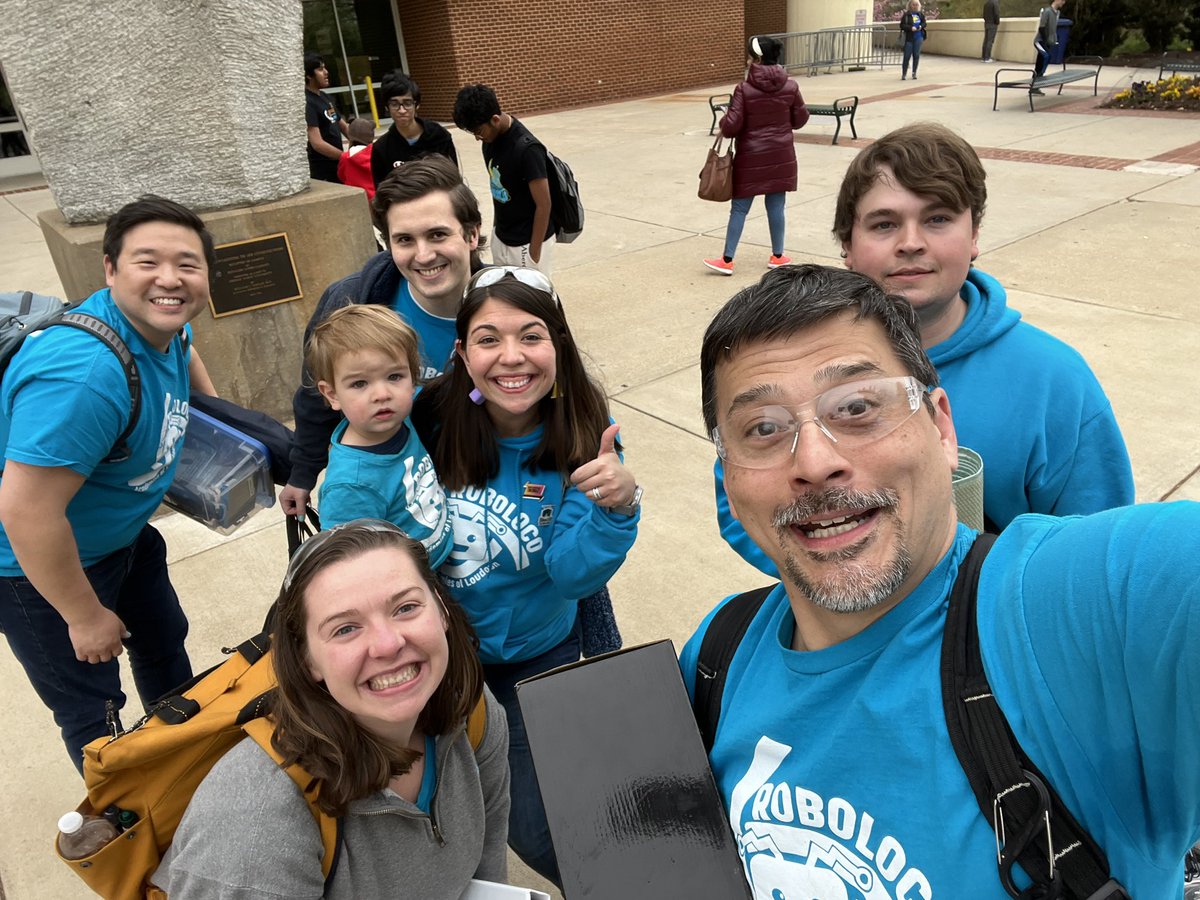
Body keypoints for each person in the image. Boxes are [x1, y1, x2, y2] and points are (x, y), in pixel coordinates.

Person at [681, 263, 1200, 898]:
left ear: (942, 428)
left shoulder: (1067, 614)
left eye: (857, 407)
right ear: (729, 485)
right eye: (763, 428)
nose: (815, 462)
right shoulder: (717, 657)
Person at [712, 122, 1132, 570]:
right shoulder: (791, 361)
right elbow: (741, 501)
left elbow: (1095, 548)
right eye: (884, 224)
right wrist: (838, 573)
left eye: (937, 219)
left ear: (974, 237)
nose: (910, 243)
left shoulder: (1054, 379)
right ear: (846, 246)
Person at [412, 267, 642, 886]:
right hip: (435, 658)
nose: (511, 358)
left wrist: (616, 506)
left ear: (559, 347)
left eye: (531, 336)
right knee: (426, 802)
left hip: (537, 656)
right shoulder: (426, 419)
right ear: (461, 353)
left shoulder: (584, 437)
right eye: (488, 339)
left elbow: (571, 573)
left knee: (538, 822)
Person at [152, 520, 511, 898]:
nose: (387, 644)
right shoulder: (255, 828)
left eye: (405, 607)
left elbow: (487, 875)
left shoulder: (471, 711)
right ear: (308, 660)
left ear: (441, 611)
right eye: (345, 629)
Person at [0, 195, 217, 771]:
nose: (170, 279)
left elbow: (187, 355)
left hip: (123, 540)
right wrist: (83, 614)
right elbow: (25, 513)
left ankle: (184, 761)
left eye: (188, 265)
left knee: (165, 647)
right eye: (147, 261)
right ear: (110, 269)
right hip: (39, 572)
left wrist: (222, 429)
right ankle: (133, 822)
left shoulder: (164, 326)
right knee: (96, 711)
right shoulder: (84, 378)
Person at [279, 155, 482, 518]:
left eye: (437, 234)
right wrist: (303, 471)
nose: (423, 254)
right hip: (401, 493)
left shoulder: (512, 304)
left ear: (471, 234)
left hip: (483, 481)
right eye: (404, 239)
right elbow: (316, 392)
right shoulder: (352, 301)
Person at [306, 305, 453, 563]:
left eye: (394, 376)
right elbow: (353, 562)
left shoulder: (402, 413)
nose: (382, 394)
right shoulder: (351, 485)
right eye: (360, 383)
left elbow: (462, 397)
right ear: (332, 394)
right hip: (417, 581)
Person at [702, 35, 809, 277]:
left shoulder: (744, 89)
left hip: (750, 156)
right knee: (776, 206)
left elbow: (730, 127)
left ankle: (727, 260)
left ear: (757, 58)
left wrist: (725, 116)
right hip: (781, 155)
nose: (748, 60)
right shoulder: (791, 86)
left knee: (739, 208)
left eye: (750, 55)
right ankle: (778, 256)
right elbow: (800, 119)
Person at [453, 83, 555, 273]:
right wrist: (495, 233)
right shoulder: (489, 142)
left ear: (495, 119)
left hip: (527, 243)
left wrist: (534, 253)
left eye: (478, 131)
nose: (477, 138)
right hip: (502, 237)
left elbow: (544, 204)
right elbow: (497, 188)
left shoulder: (528, 149)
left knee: (532, 300)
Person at [371, 70, 459, 189]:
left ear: (416, 105)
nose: (402, 110)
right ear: (387, 107)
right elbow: (382, 192)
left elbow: (454, 180)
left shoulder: (439, 136)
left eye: (407, 103)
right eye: (395, 104)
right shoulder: (381, 148)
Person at [304, 51, 350, 183]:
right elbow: (317, 143)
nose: (326, 72)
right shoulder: (307, 102)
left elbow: (343, 126)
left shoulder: (325, 97)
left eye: (324, 68)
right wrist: (345, 157)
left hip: (338, 166)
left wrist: (362, 146)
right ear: (308, 75)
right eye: (320, 69)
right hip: (322, 171)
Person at [337, 117, 377, 198]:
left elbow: (341, 175)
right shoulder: (376, 153)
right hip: (376, 197)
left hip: (356, 198)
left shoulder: (345, 157)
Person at [1033, 0, 1066, 88]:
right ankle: (1039, 78)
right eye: (1063, 0)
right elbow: (1042, 27)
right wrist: (1045, 40)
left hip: (1048, 42)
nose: (1064, 3)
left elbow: (1053, 29)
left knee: (1040, 62)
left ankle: (1036, 84)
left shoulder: (1057, 13)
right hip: (1040, 41)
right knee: (1046, 56)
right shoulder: (1047, 11)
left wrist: (1053, 41)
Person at [900, 0, 928, 80]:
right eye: (913, 4)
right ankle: (904, 73)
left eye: (916, 4)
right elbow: (902, 25)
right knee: (907, 56)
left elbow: (924, 23)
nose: (915, 6)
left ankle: (914, 73)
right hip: (909, 38)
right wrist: (910, 28)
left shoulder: (920, 14)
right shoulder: (906, 15)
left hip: (918, 37)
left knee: (916, 55)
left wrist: (920, 27)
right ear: (910, 5)